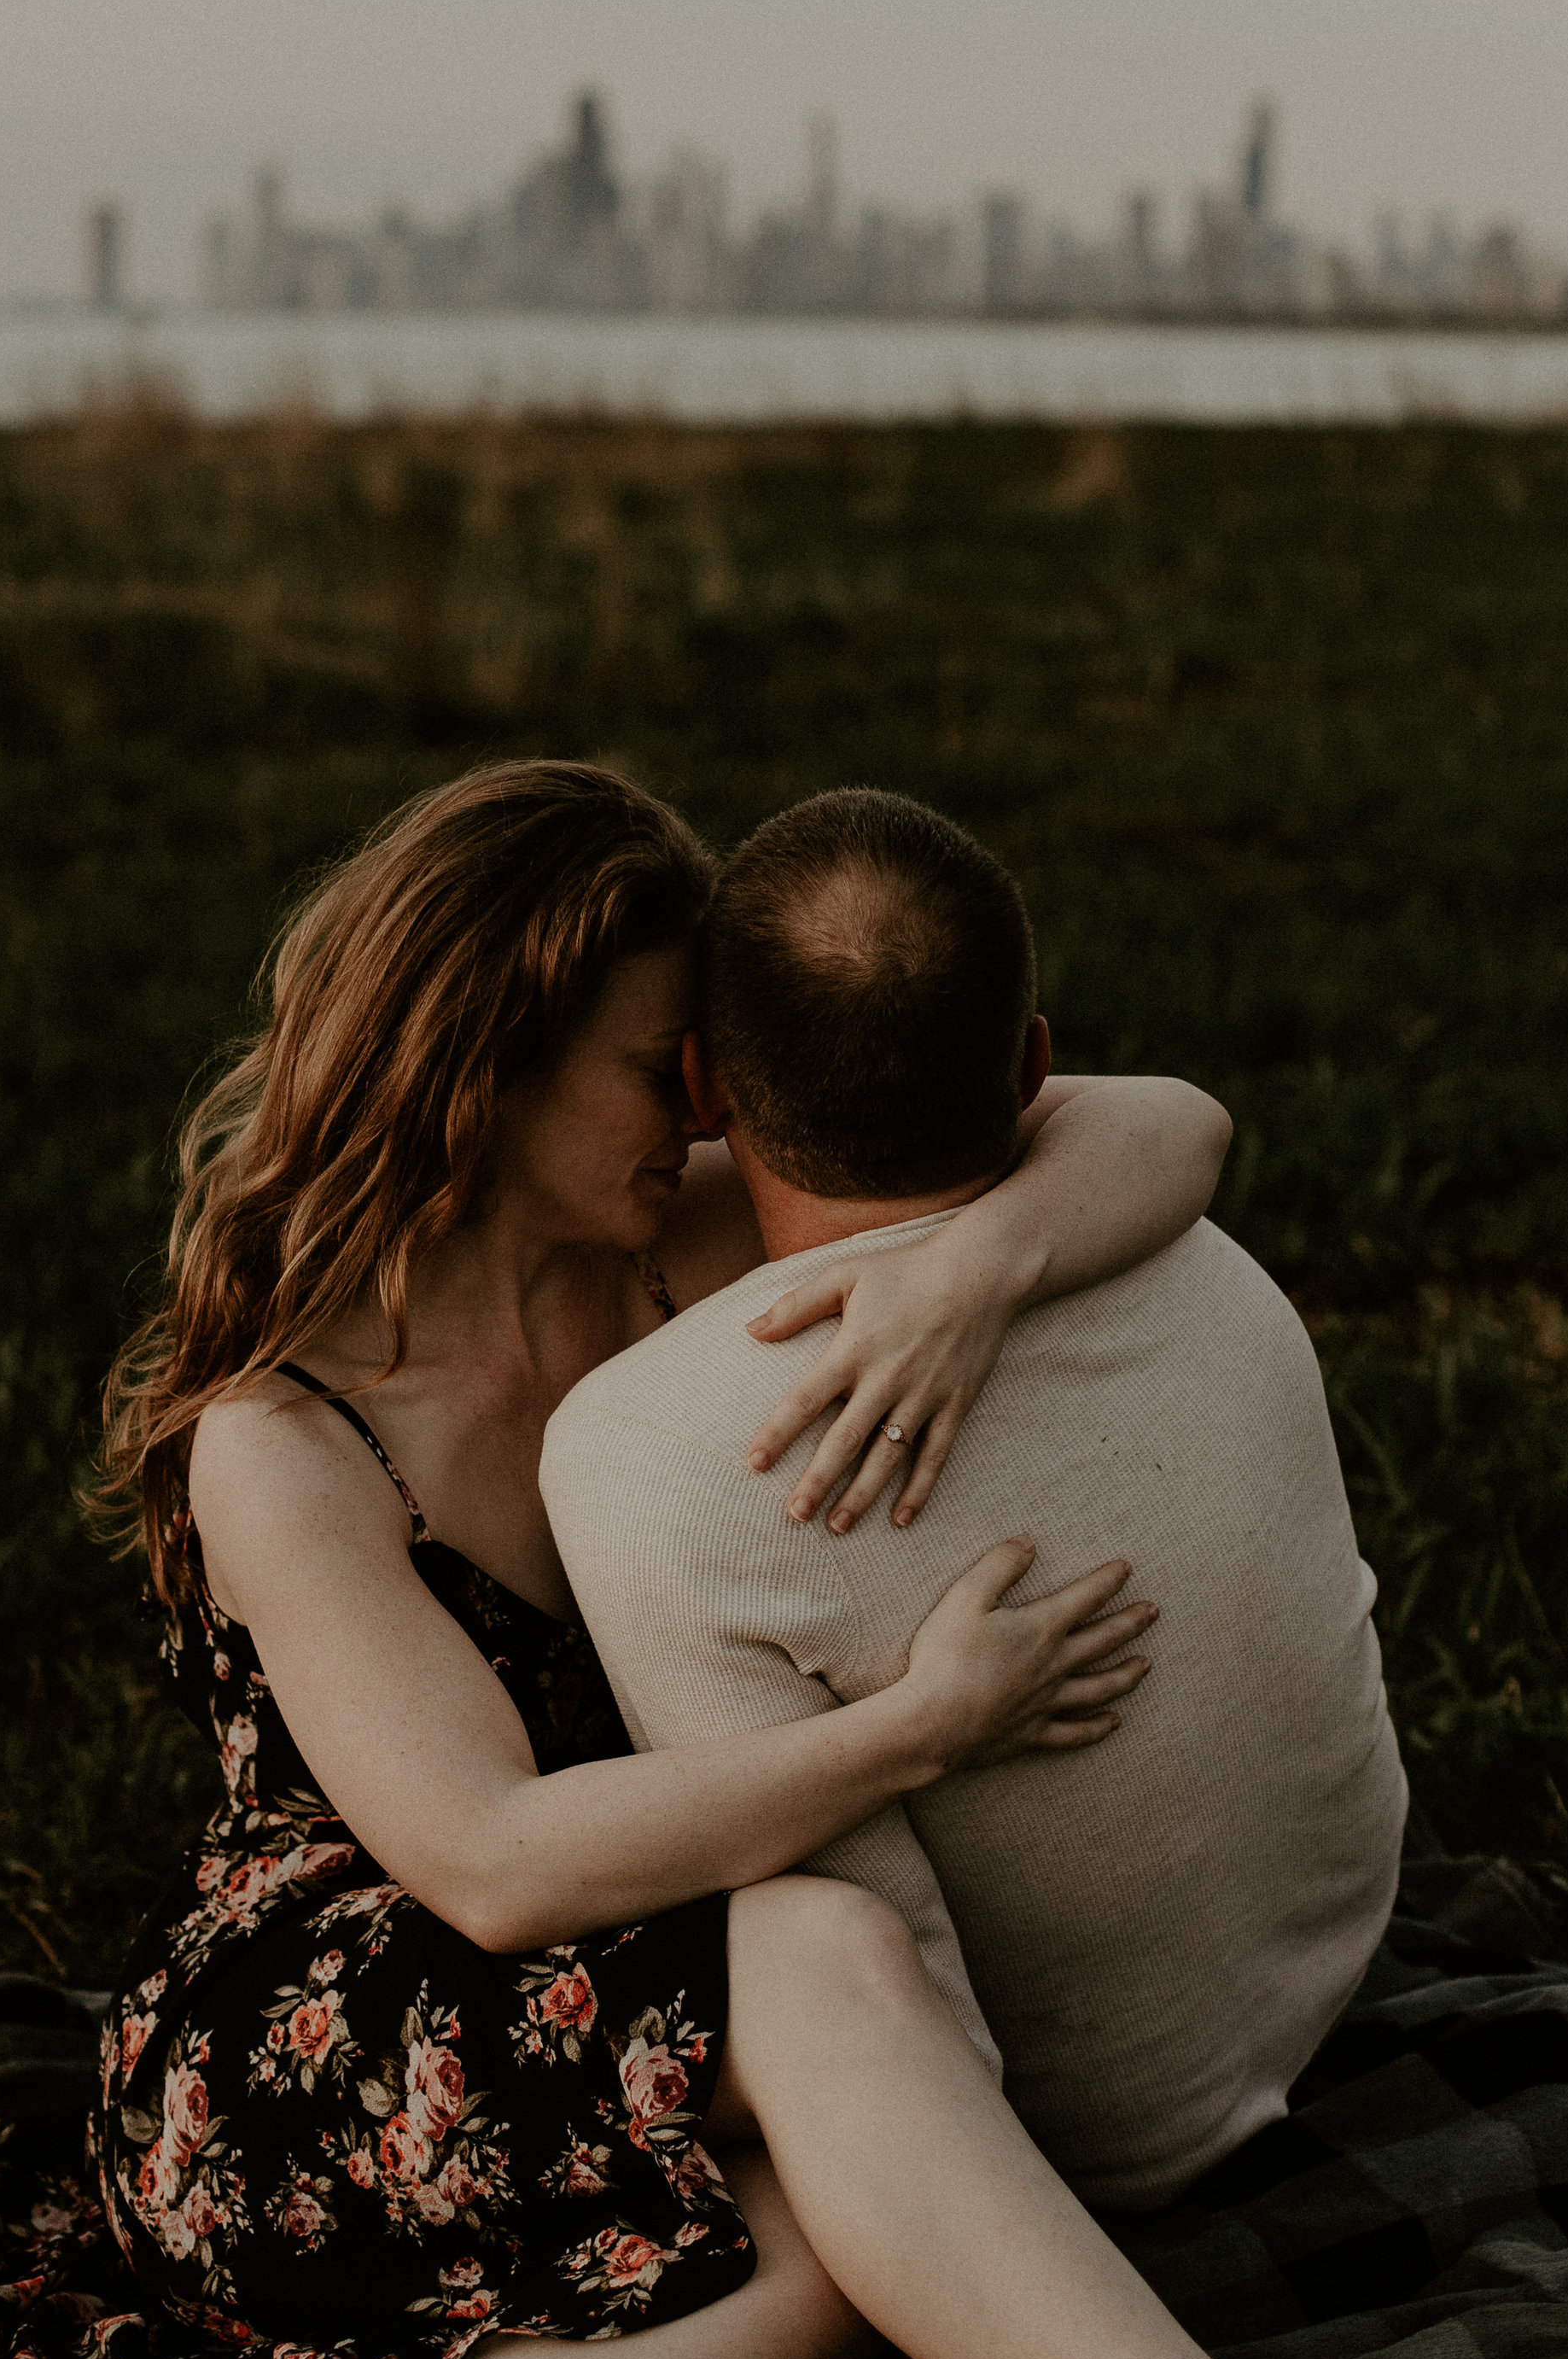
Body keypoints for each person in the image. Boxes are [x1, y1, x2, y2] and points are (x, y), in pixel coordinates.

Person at [56, 757, 1513, 2359]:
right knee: (834, 1956)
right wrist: (922, 1727)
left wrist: (978, 1265)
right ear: (479, 1070)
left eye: (700, 1067)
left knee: (845, 2254)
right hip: (326, 2022)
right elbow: (494, 1862)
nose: (694, 1106)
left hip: (638, 1963)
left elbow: (1165, 1124)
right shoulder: (291, 1437)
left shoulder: (667, 1229)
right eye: (647, 1065)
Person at [543, 787, 1408, 2212]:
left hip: (1092, 2142)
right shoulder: (1211, 1262)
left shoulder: (652, 1462)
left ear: (701, 1090)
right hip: (1330, 1964)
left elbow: (858, 1940)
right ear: (1036, 1065)